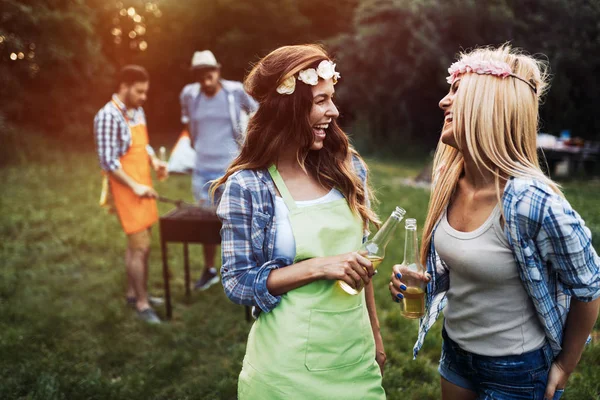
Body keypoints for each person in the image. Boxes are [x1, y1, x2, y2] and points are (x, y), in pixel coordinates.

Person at [389, 45, 600, 400]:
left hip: (517, 370)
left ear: (488, 105)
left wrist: (565, 364)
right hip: (455, 352)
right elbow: (472, 267)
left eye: (457, 91)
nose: (443, 102)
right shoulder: (448, 178)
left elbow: (589, 286)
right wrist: (423, 283)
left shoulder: (533, 202)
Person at [213, 44, 386, 399]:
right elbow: (238, 282)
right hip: (284, 372)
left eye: (331, 98)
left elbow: (361, 262)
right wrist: (319, 267)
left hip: (354, 359)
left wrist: (377, 336)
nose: (334, 111)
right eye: (320, 101)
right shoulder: (249, 185)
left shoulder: (349, 169)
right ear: (289, 108)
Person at [179, 50, 258, 291]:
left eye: (209, 71)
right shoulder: (190, 96)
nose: (206, 77)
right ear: (196, 75)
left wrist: (249, 145)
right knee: (206, 222)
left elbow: (258, 113)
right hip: (202, 170)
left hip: (231, 171)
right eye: (200, 73)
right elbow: (189, 126)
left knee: (236, 222)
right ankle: (210, 269)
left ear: (218, 70)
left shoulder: (234, 92)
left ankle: (241, 271)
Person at [94, 65, 167, 324]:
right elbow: (108, 162)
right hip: (126, 189)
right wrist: (134, 186)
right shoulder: (107, 116)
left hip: (143, 184)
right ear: (124, 86)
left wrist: (155, 161)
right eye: (139, 91)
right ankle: (143, 303)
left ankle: (132, 293)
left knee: (140, 247)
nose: (143, 97)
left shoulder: (137, 111)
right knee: (141, 247)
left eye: (145, 92)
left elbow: (142, 145)